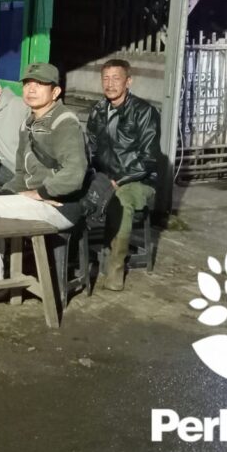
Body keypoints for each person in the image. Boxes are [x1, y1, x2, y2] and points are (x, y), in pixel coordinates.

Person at [0, 63, 88, 282]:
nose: (31, 89)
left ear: (55, 91)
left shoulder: (64, 122)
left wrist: (41, 193)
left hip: (61, 207)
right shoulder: (28, 124)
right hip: (37, 201)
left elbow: (75, 173)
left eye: (40, 84)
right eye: (27, 84)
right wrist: (8, 194)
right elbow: (21, 175)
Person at [85, 58, 161, 291]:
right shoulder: (98, 110)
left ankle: (115, 271)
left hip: (138, 179)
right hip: (105, 176)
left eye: (116, 79)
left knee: (121, 201)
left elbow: (148, 159)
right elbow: (91, 149)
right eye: (106, 79)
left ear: (128, 81)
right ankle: (78, 262)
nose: (110, 84)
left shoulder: (145, 112)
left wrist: (119, 180)